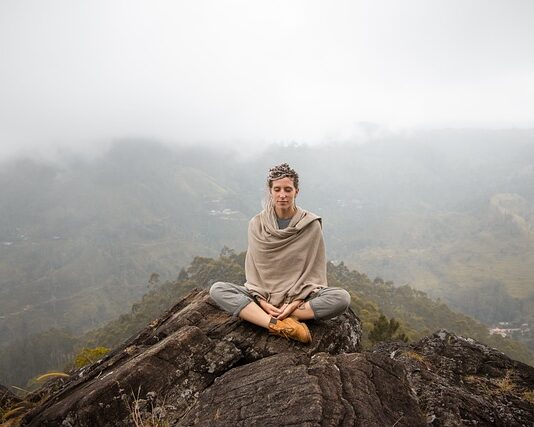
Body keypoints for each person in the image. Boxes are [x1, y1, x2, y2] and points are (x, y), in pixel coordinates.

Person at [209, 163, 351, 343]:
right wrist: (261, 301)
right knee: (218, 289)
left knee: (341, 298)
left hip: (298, 296)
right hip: (264, 295)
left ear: (296, 192)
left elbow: (313, 271)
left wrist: (294, 303)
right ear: (270, 192)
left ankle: (280, 317)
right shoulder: (257, 224)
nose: (282, 195)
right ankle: (278, 325)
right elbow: (255, 270)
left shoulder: (310, 224)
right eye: (277, 189)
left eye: (287, 189)